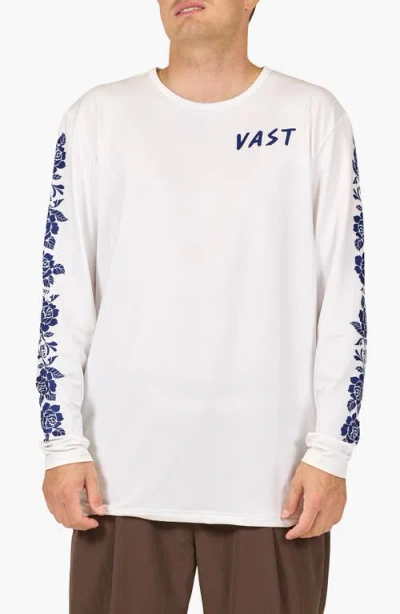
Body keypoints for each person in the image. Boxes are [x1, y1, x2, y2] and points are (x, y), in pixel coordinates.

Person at [36, 1, 367, 612]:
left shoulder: (312, 116)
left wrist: (330, 451)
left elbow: (344, 294)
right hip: (119, 478)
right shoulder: (99, 117)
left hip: (274, 482)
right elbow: (64, 292)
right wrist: (63, 445)